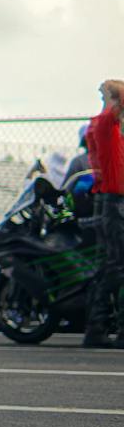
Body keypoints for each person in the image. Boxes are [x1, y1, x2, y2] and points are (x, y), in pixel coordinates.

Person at [84, 80, 124, 348]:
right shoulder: (104, 125)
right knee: (115, 267)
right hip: (113, 203)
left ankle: (103, 328)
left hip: (112, 202)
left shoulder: (110, 128)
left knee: (113, 266)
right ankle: (101, 328)